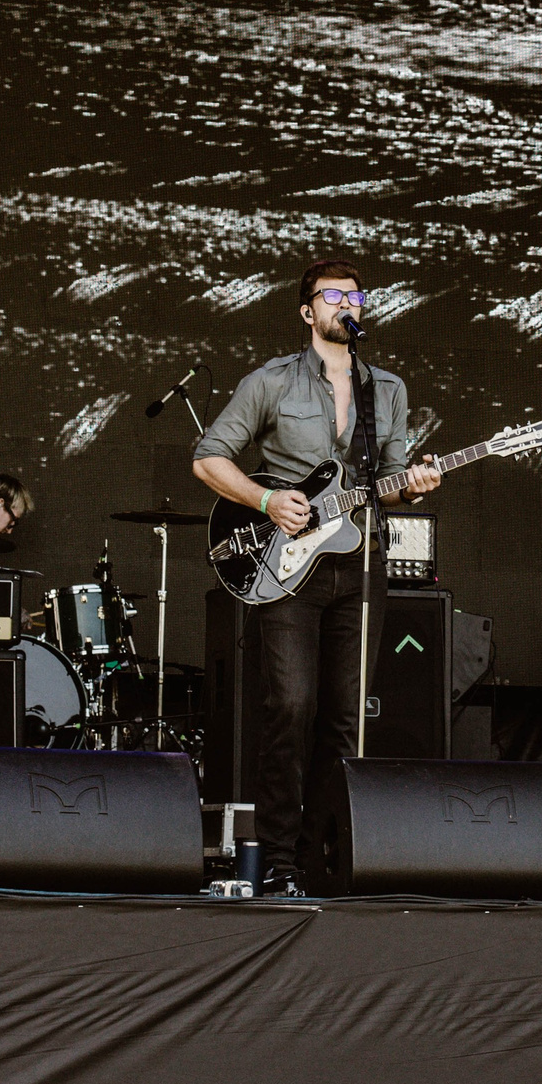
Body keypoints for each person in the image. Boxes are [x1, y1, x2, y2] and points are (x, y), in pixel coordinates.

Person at [191, 259, 442, 892]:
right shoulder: (270, 381)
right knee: (291, 705)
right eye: (335, 295)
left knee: (345, 718)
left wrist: (414, 485)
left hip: (361, 564)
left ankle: (322, 856)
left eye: (357, 296)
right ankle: (277, 861)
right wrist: (265, 501)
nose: (348, 304)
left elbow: (389, 481)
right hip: (288, 568)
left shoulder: (387, 388)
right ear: (308, 312)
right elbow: (208, 457)